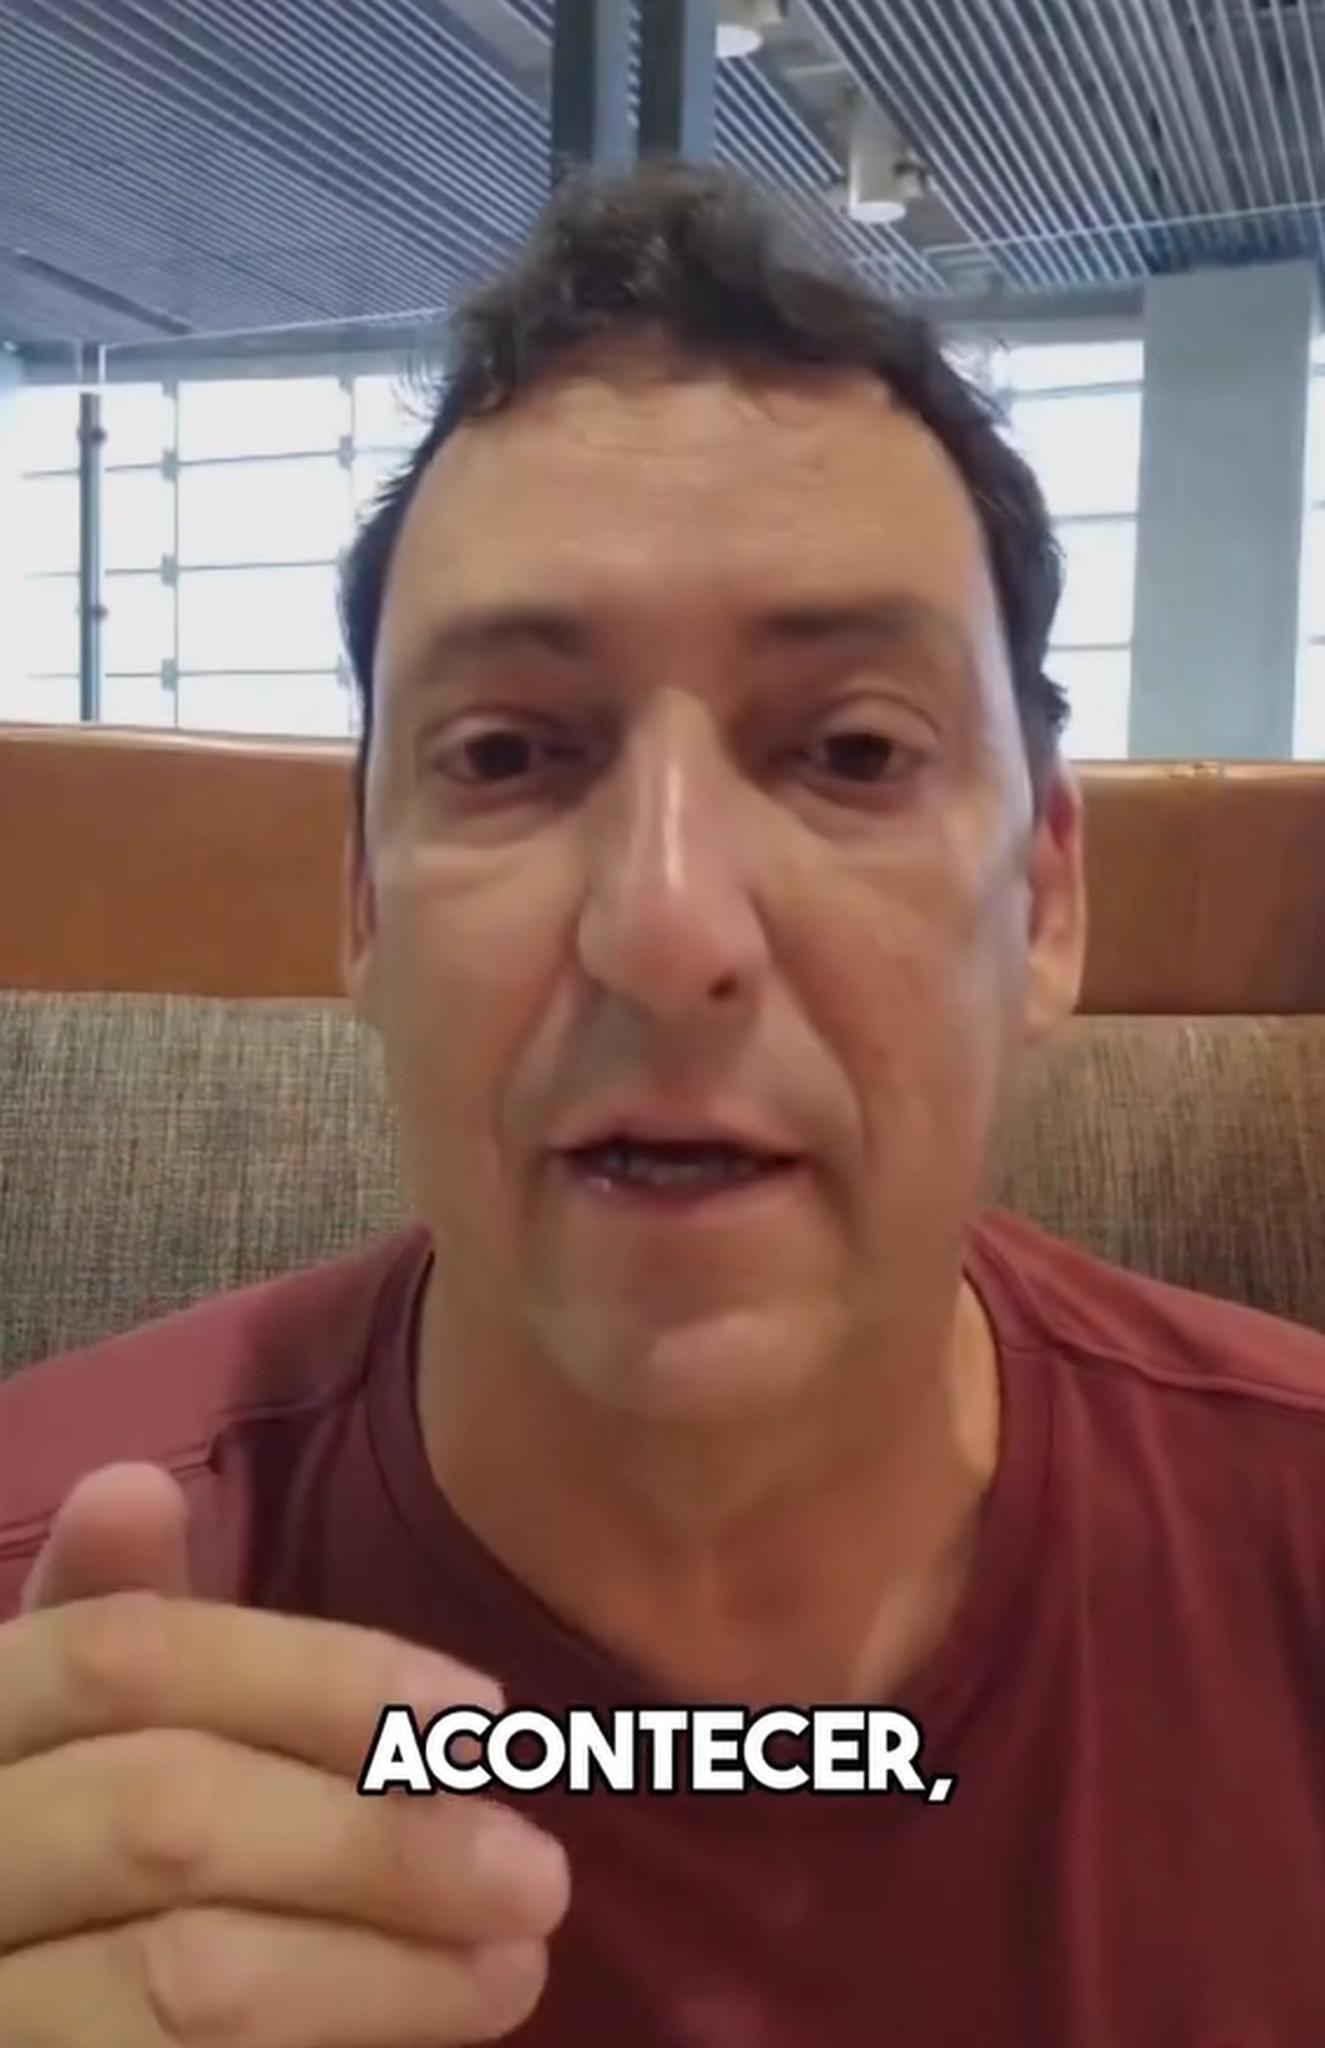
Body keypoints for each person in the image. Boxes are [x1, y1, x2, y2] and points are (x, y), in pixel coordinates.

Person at [0, 160, 1321, 2048]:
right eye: (507, 754)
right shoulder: (44, 1646)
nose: (666, 925)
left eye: (850, 748)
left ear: (1043, 901)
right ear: (364, 912)